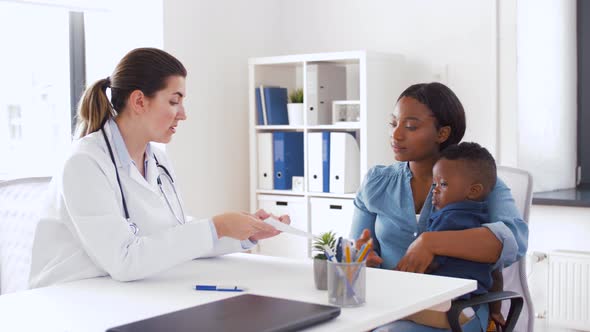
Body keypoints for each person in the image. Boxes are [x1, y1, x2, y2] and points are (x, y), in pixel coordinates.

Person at [29, 48, 288, 288]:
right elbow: (125, 260)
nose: (183, 114)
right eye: (174, 101)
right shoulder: (84, 163)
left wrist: (243, 232)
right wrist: (217, 226)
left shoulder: (158, 161)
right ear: (139, 101)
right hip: (69, 297)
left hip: (121, 290)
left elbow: (172, 233)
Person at [350, 82, 528, 332]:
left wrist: (431, 242)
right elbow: (356, 252)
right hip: (391, 304)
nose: (396, 134)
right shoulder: (376, 182)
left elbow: (514, 241)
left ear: (442, 134)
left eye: (410, 126)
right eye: (393, 124)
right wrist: (361, 260)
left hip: (457, 311)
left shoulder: (480, 184)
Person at [404, 142, 504, 329]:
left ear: (473, 191)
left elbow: (427, 264)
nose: (435, 189)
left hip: (447, 309)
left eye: (443, 184)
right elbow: (496, 275)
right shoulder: (484, 223)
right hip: (469, 308)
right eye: (434, 184)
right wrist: (496, 311)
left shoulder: (449, 219)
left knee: (387, 310)